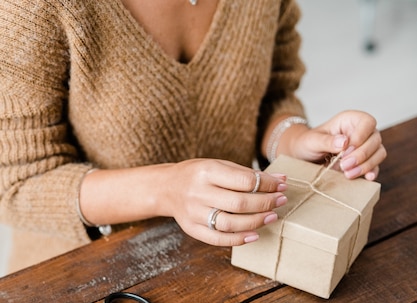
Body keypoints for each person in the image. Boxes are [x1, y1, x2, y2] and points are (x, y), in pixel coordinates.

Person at [0, 0, 386, 273]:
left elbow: (273, 94)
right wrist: (167, 189)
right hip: (76, 277)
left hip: (233, 257)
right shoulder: (32, 7)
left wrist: (294, 139)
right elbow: (16, 184)